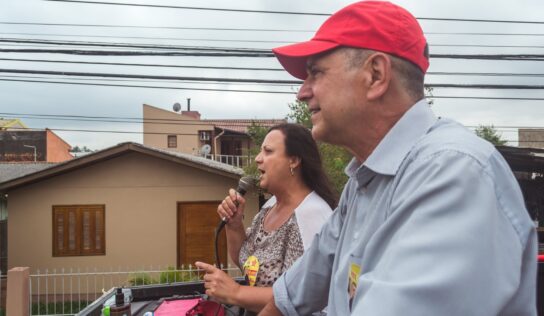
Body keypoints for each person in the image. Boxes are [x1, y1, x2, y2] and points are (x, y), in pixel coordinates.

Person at [259, 1, 538, 315]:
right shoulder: (365, 183)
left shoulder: (452, 172)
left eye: (316, 73)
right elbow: (290, 297)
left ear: (376, 75)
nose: (302, 92)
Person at [195, 123, 336, 314]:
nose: (258, 159)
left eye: (268, 151)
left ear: (294, 160)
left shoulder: (312, 214)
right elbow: (248, 263)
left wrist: (236, 293)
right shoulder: (269, 207)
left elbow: (301, 294)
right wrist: (234, 225)